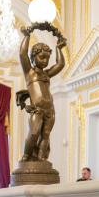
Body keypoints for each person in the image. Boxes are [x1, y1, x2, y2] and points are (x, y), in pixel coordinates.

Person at [18, 29, 66, 162]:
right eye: (42, 57)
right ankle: (26, 156)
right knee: (34, 133)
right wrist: (27, 36)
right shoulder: (30, 72)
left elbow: (61, 64)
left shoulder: (46, 74)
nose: (45, 61)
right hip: (37, 110)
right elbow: (22, 53)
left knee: (45, 135)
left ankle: (41, 160)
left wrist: (58, 48)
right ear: (33, 57)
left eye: (47, 58)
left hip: (50, 110)